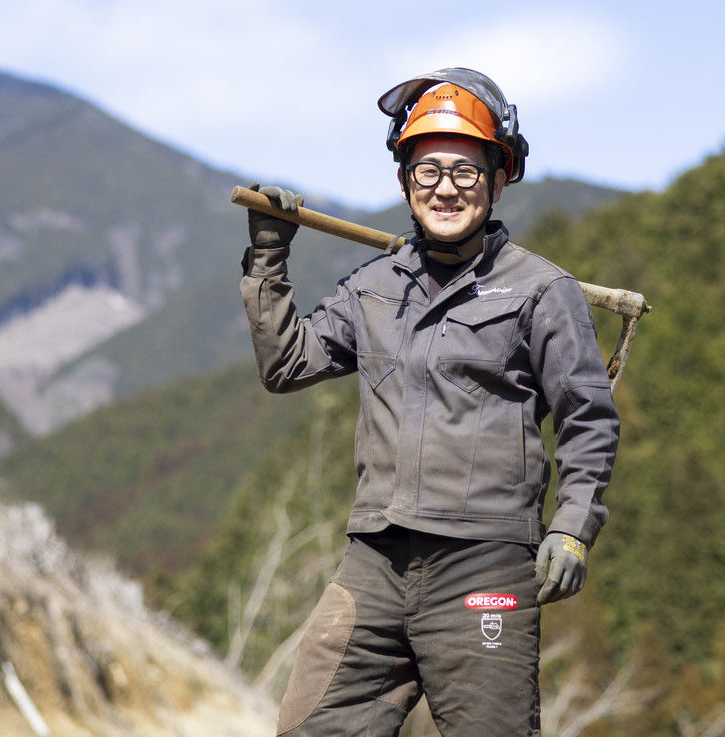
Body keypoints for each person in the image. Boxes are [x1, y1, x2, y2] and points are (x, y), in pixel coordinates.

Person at [240, 68, 619, 737]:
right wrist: (269, 257)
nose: (446, 187)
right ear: (405, 181)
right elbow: (287, 364)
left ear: (500, 178)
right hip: (374, 563)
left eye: (466, 171)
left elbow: (587, 417)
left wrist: (572, 524)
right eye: (428, 170)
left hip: (483, 564)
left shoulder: (540, 291)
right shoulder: (374, 287)